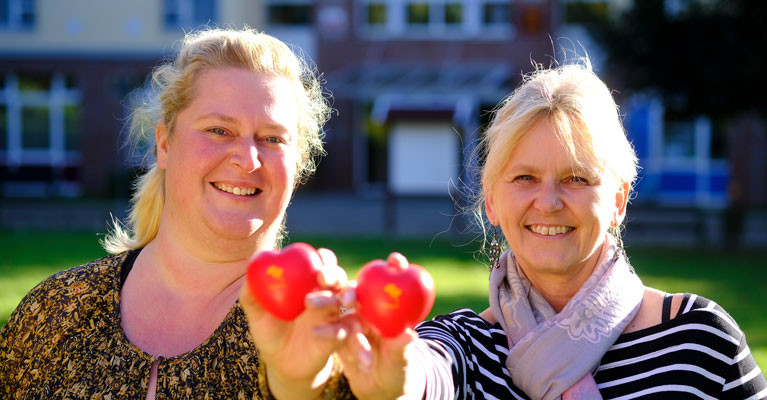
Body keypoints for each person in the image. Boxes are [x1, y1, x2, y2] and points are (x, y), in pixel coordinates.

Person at [336, 60, 767, 399]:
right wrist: (392, 375)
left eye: (576, 178)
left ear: (617, 200)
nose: (548, 201)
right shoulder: (462, 348)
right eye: (524, 178)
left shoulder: (701, 340)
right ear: (492, 201)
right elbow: (420, 375)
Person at [0, 28, 356, 399]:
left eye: (272, 139)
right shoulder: (54, 312)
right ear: (165, 144)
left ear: (296, 165)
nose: (248, 159)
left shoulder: (320, 334)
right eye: (219, 130)